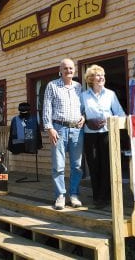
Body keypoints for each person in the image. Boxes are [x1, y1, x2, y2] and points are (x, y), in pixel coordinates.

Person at [43, 58, 85, 210]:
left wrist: (84, 117)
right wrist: (49, 128)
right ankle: (60, 195)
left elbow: (83, 106)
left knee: (77, 166)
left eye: (71, 68)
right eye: (65, 68)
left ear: (74, 70)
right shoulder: (52, 86)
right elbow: (46, 108)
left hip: (77, 130)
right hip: (58, 129)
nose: (69, 71)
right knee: (58, 166)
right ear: (60, 70)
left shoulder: (79, 87)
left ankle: (74, 194)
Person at [82, 64, 126, 208]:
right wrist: (87, 121)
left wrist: (111, 120)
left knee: (107, 165)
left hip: (108, 133)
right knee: (94, 166)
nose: (101, 78)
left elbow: (120, 113)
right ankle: (97, 198)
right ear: (90, 79)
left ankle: (107, 197)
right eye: (98, 75)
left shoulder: (110, 94)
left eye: (103, 75)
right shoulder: (83, 96)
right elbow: (79, 115)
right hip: (90, 135)